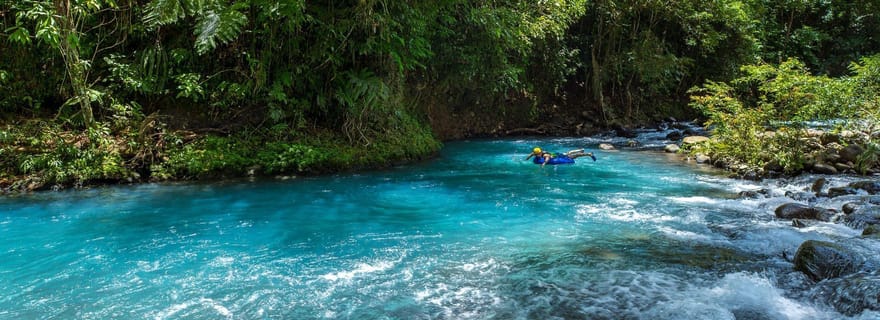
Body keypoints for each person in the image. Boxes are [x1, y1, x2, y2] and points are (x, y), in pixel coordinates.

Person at [525, 147, 595, 166]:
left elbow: (547, 158)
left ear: (540, 152)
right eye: (536, 154)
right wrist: (527, 159)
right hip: (555, 154)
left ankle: (588, 154)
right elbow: (531, 155)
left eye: (538, 154)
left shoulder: (545, 154)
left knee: (571, 155)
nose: (537, 155)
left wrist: (544, 163)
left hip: (558, 156)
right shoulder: (536, 153)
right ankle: (581, 150)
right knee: (569, 153)